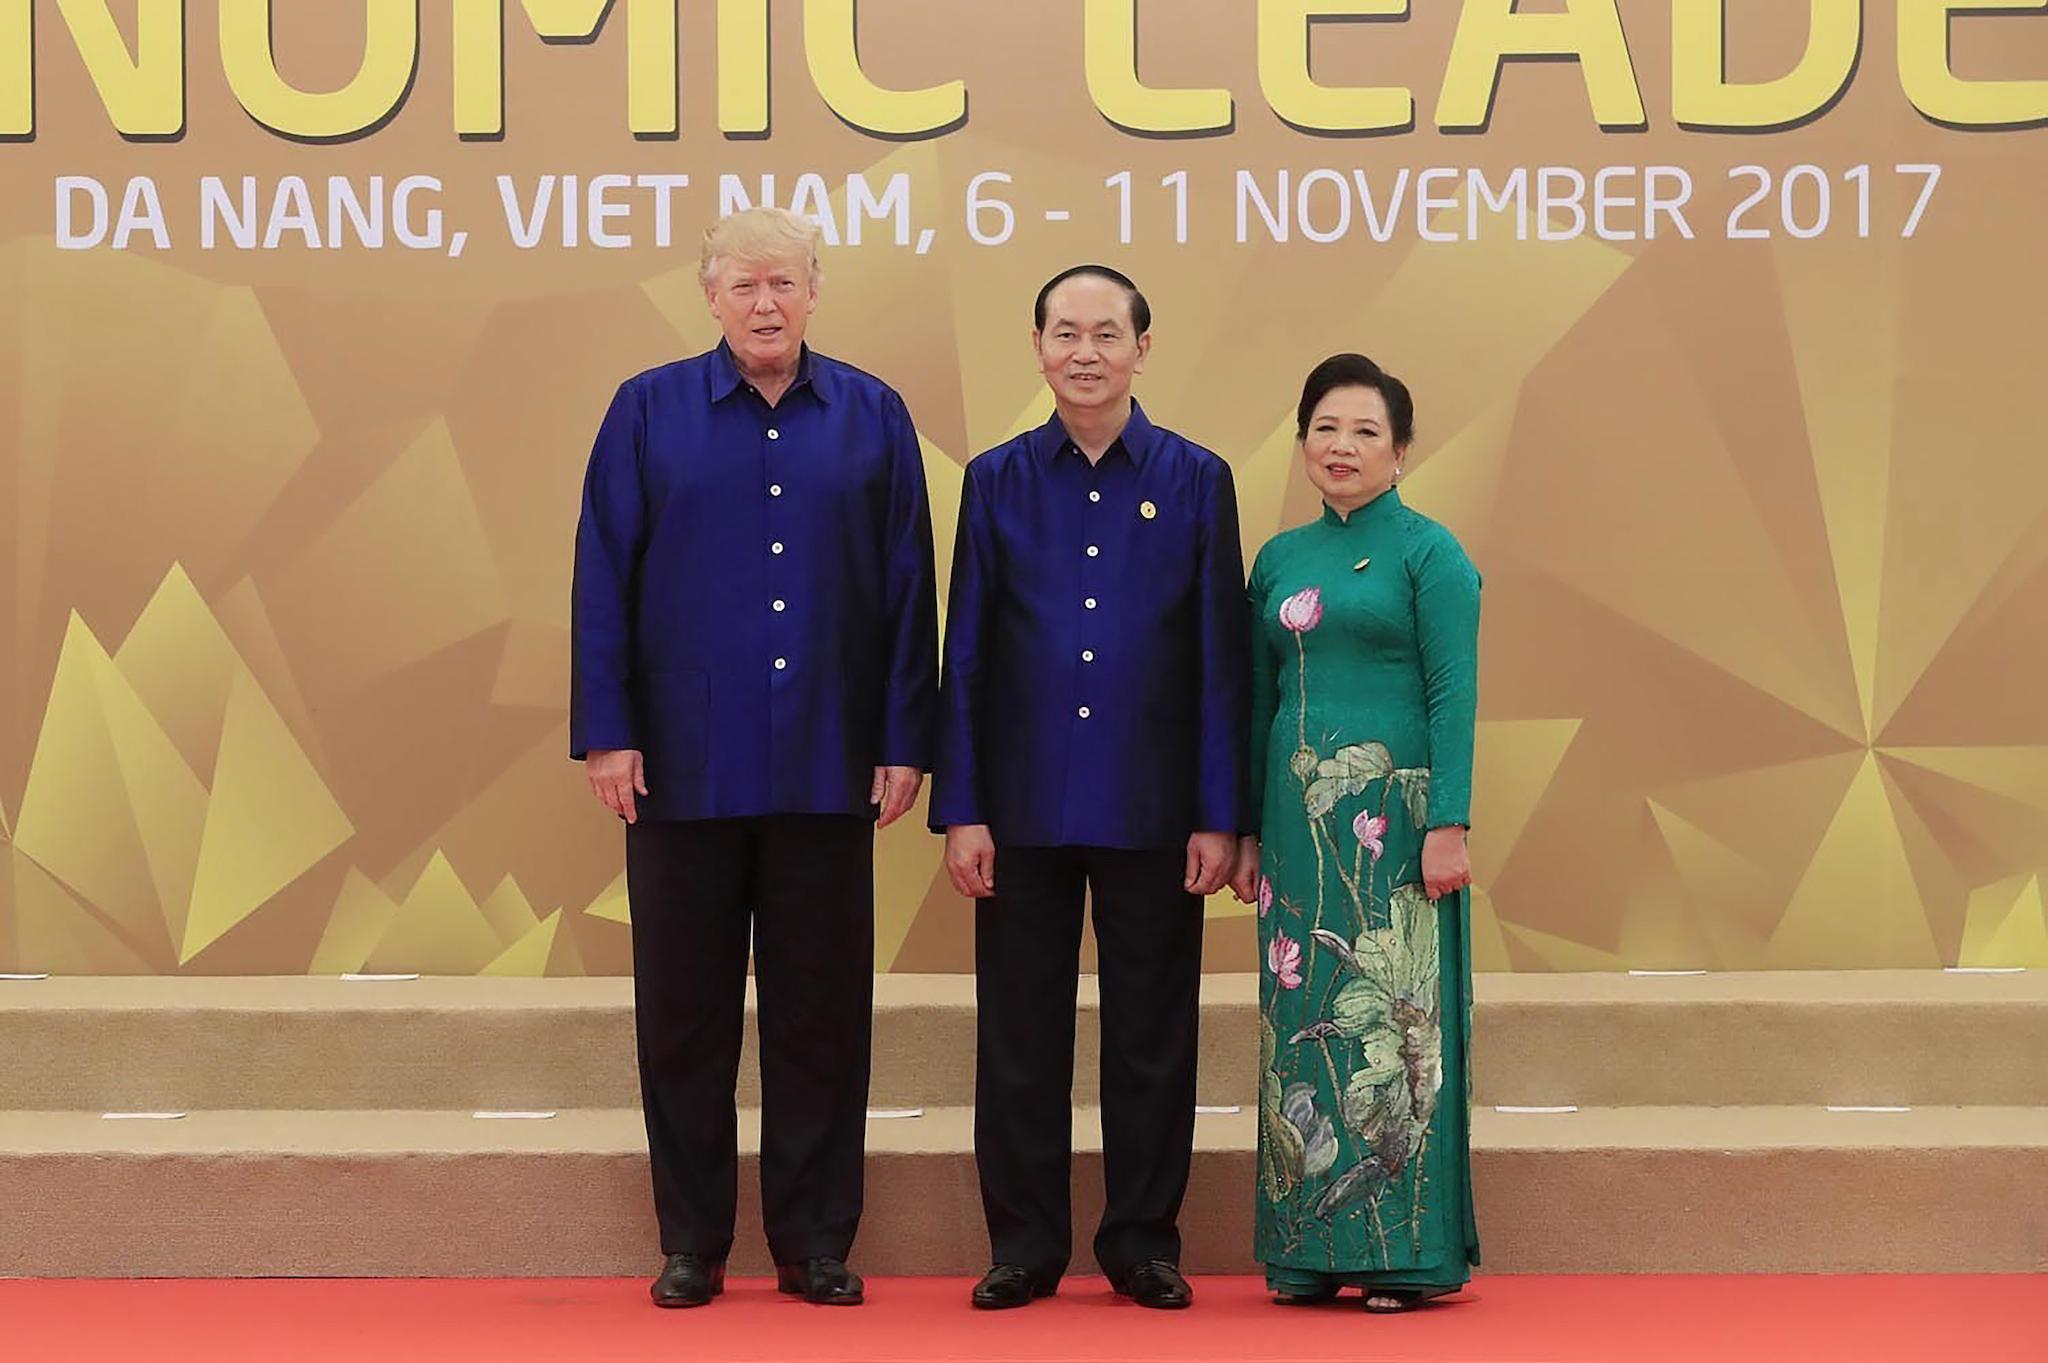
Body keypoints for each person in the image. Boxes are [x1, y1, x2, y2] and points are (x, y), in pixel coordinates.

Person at [570, 207, 937, 1309]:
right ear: (709, 297)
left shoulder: (873, 415)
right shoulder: (646, 411)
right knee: (681, 1013)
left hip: (829, 762)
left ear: (815, 291)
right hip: (681, 767)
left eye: (782, 283)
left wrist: (901, 740)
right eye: (742, 286)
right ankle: (691, 1240)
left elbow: (908, 586)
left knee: (820, 1013)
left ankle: (814, 1240)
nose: (764, 304)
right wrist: (609, 728)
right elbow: (601, 572)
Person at [932, 264, 1249, 1311]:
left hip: (1155, 807)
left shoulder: (1198, 480)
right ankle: (1023, 1244)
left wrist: (1219, 811)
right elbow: (966, 651)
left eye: (1105, 332)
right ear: (1035, 348)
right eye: (1063, 331)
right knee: (1019, 1037)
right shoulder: (995, 479)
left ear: (1140, 350)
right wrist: (962, 807)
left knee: (1151, 1035)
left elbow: (1218, 658)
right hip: (1018, 805)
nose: (1083, 350)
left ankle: (1142, 1243)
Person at [1230, 353, 1482, 1311]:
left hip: (1401, 822)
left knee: (1396, 1015)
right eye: (1326, 428)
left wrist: (1449, 820)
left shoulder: (1431, 553)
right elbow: (1260, 699)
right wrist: (1252, 830)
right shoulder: (1279, 559)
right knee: (1303, 1017)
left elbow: (1454, 692)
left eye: (1366, 432)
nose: (1342, 448)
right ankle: (1303, 1247)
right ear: (1302, 443)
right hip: (1299, 827)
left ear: (1401, 452)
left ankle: (1403, 1253)